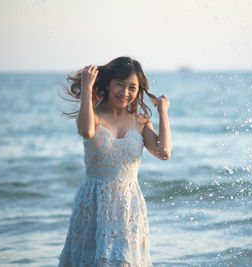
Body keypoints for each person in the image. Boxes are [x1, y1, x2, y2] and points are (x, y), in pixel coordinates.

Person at [58, 56, 171, 266]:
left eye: (132, 87)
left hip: (128, 206)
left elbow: (164, 152)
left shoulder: (140, 121)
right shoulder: (92, 115)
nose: (125, 92)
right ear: (108, 83)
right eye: (120, 84)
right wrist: (87, 87)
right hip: (93, 202)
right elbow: (85, 130)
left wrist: (163, 112)